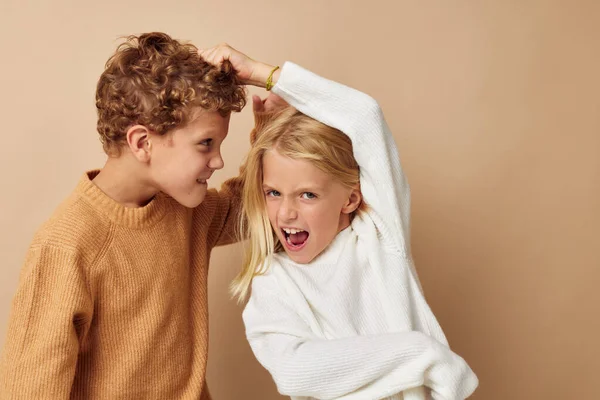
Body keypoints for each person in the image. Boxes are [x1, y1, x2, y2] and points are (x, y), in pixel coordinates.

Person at [0, 33, 270, 399]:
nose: (219, 160)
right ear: (142, 143)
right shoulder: (66, 245)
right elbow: (30, 389)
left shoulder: (185, 210)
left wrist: (269, 130)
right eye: (206, 143)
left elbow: (253, 204)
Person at [201, 45, 479, 399]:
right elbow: (294, 372)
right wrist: (419, 352)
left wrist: (264, 75)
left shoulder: (379, 235)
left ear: (350, 198)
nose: (286, 213)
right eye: (273, 193)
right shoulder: (273, 280)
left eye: (307, 195)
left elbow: (365, 116)